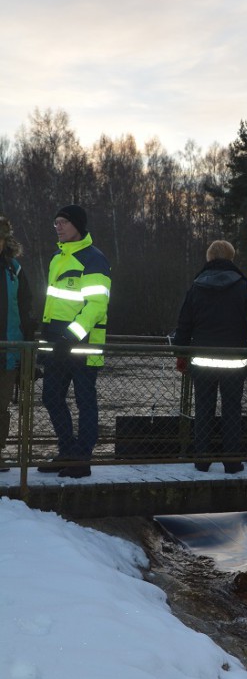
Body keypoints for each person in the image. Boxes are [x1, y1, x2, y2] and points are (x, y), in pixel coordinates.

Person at [174, 239, 247, 474]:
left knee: (204, 409)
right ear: (231, 258)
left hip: (202, 360)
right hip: (234, 360)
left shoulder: (196, 286)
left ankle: (202, 459)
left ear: (209, 258)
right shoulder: (243, 287)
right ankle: (232, 462)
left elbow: (183, 324)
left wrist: (180, 353)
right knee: (232, 410)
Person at [37, 205, 111, 478]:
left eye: (63, 222)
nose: (58, 226)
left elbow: (96, 306)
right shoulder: (58, 257)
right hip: (57, 344)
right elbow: (52, 304)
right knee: (51, 397)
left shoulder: (94, 259)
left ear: (78, 225)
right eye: (55, 222)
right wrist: (47, 339)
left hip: (83, 344)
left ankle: (82, 459)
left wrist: (71, 335)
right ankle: (67, 452)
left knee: (85, 401)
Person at [0, 215, 34, 472]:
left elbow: (25, 310)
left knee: (1, 406)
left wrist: (28, 348)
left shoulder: (15, 269)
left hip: (9, 352)